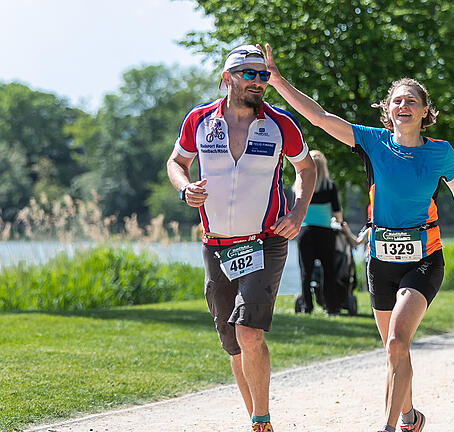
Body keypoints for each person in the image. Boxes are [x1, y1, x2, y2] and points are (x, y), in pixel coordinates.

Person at [259, 43, 454, 432]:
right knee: (394, 349)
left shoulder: (441, 153)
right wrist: (280, 81)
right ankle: (410, 417)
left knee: (398, 340)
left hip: (424, 257)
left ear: (424, 111)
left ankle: (386, 427)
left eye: (411, 101)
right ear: (388, 110)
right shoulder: (373, 142)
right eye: (396, 101)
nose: (403, 106)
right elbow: (318, 118)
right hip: (380, 261)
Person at [166, 44, 316, 432]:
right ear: (226, 78)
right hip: (217, 245)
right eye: (249, 73)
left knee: (250, 331)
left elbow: (307, 168)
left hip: (265, 240)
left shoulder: (281, 123)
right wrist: (184, 188)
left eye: (264, 74)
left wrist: (297, 212)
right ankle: (256, 419)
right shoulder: (199, 120)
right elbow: (176, 161)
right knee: (233, 341)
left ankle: (262, 420)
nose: (259, 81)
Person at [296, 149, 343, 315]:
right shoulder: (330, 187)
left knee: (305, 271)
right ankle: (332, 307)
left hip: (305, 232)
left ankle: (306, 306)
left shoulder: (300, 187)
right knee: (328, 271)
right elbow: (337, 214)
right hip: (325, 233)